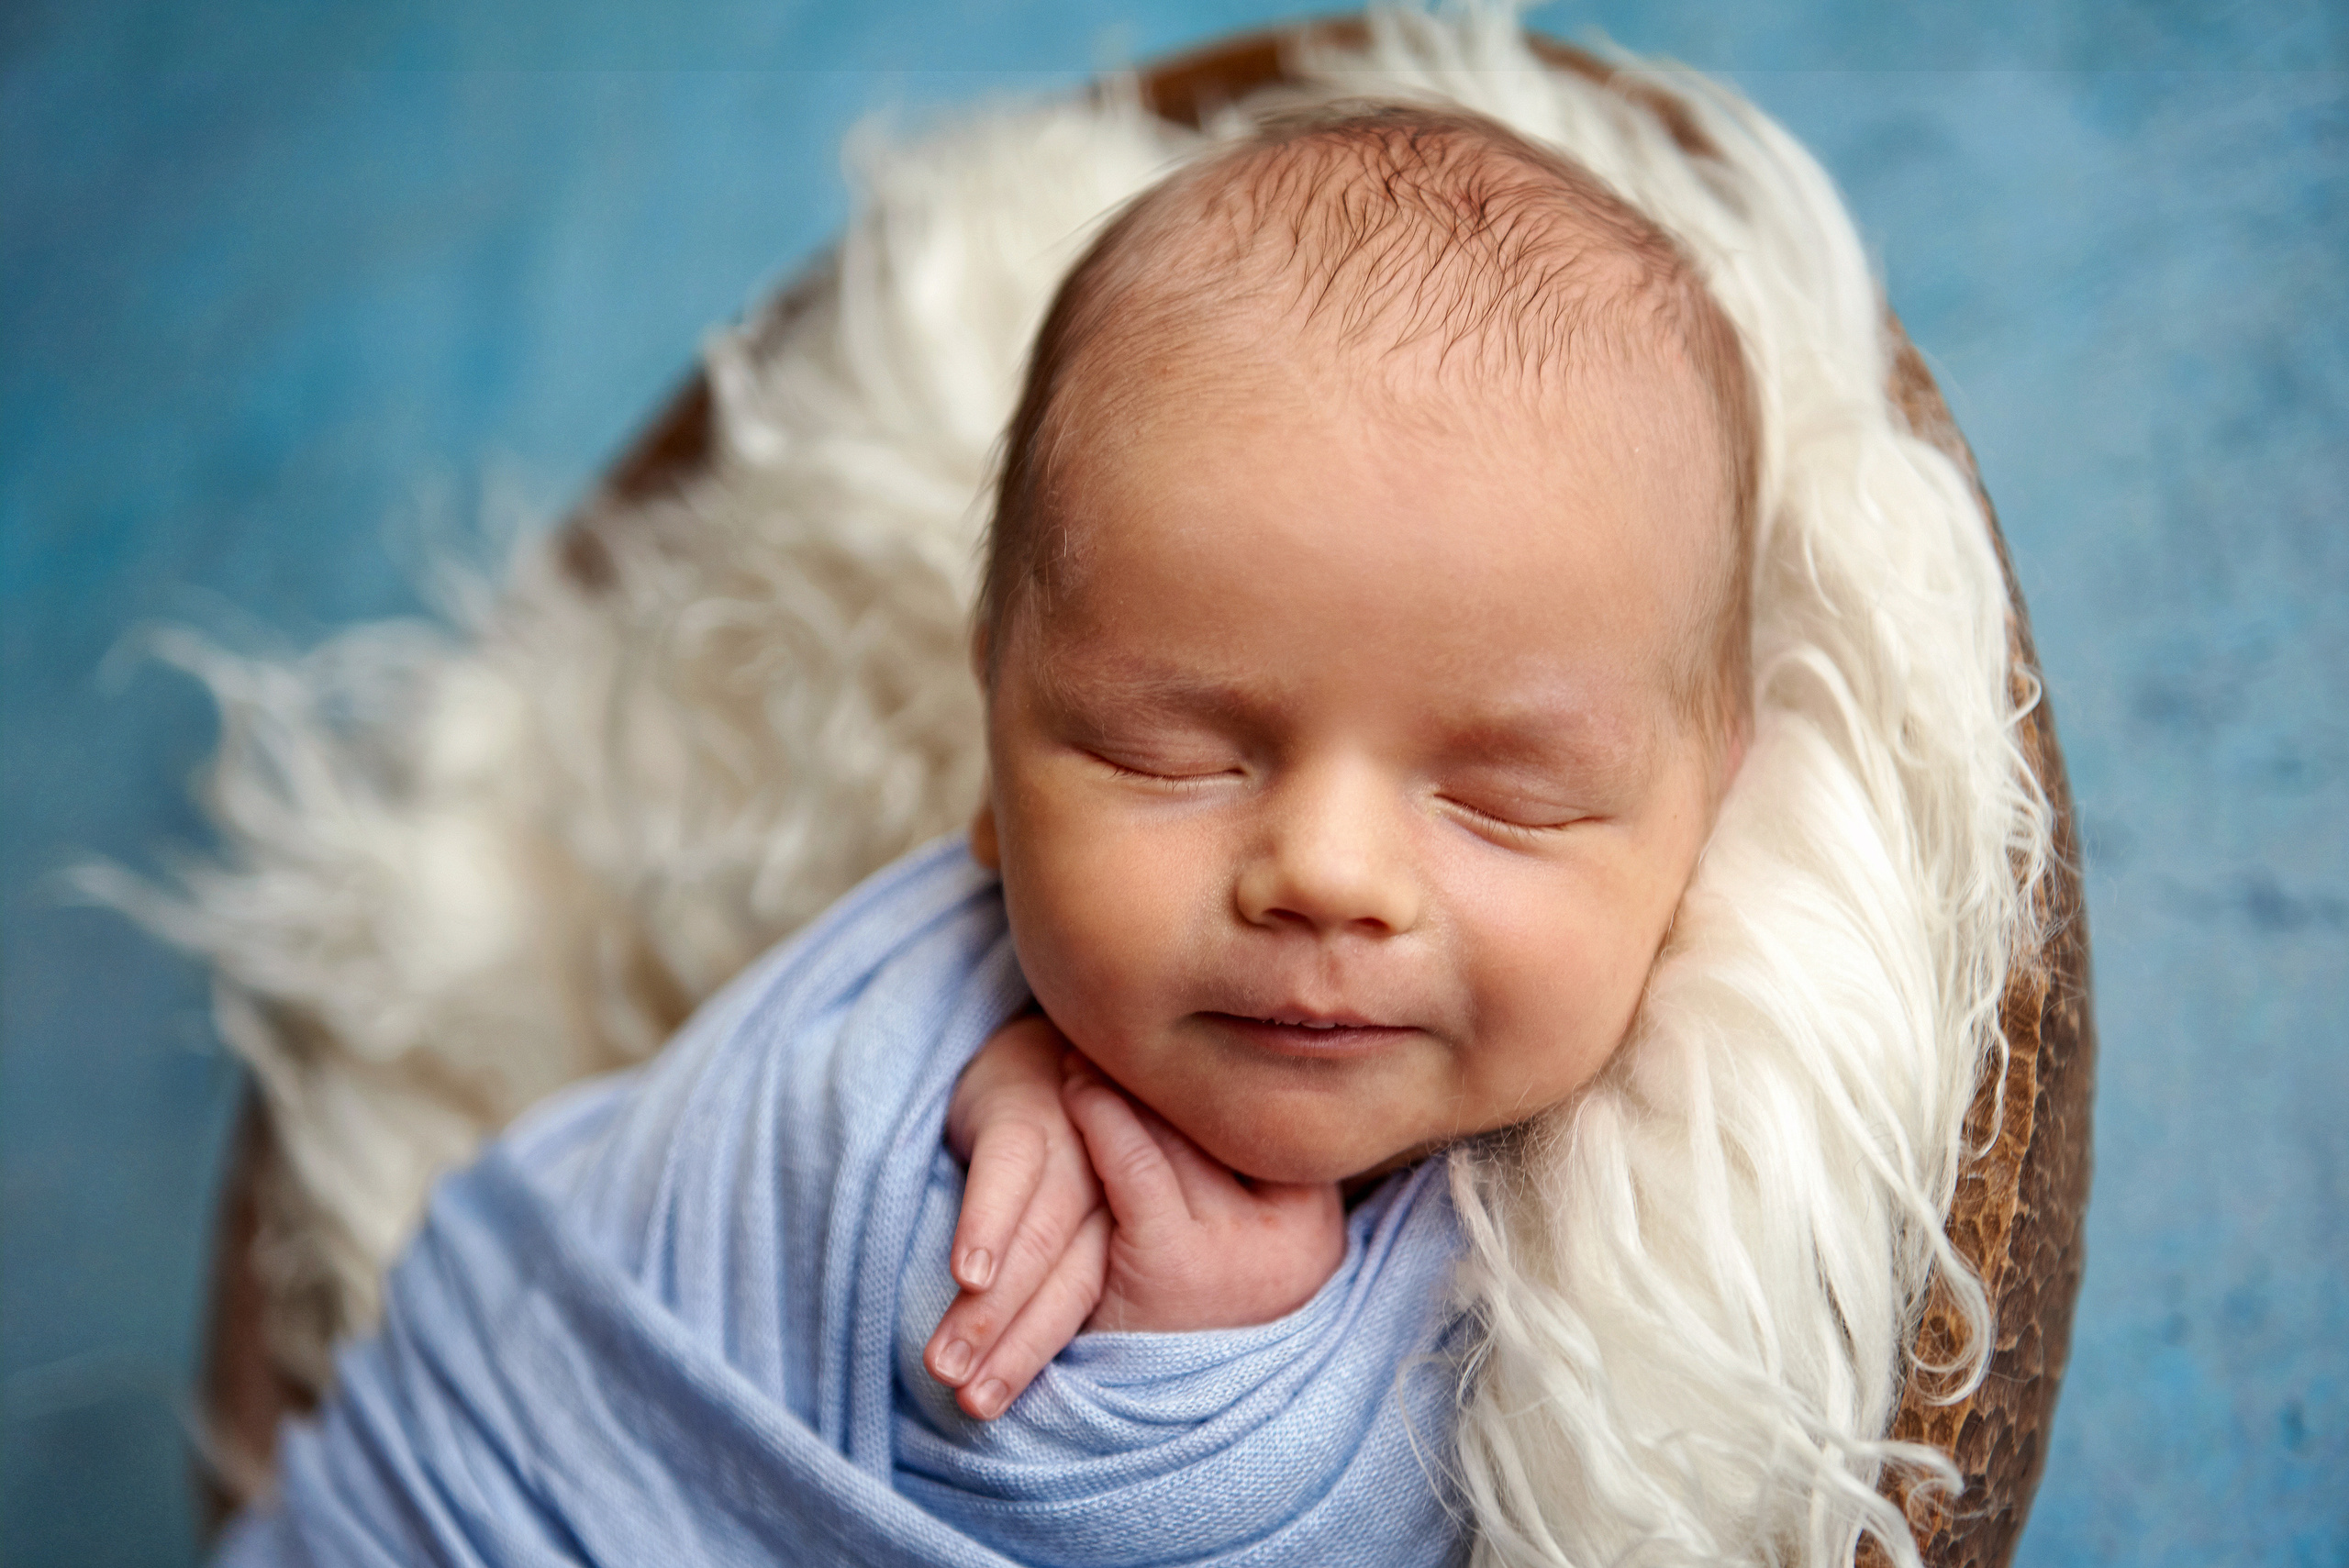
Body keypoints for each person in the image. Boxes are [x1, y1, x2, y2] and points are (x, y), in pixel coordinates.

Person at [915, 100, 1754, 1424]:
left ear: (1707, 798)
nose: (1327, 872)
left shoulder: (1667, 1258)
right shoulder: (920, 1034)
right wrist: (965, 1100)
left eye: (1502, 797)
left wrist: (1208, 1361)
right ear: (994, 754)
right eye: (1170, 755)